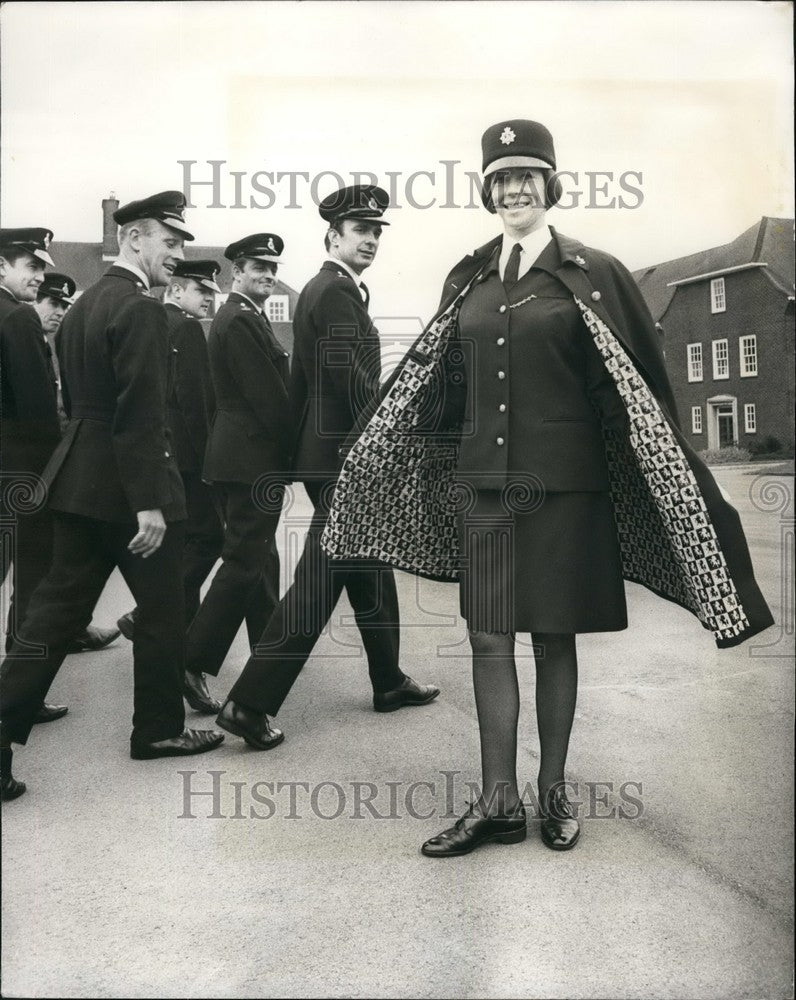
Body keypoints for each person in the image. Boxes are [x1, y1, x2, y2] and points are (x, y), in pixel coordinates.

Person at [320, 120, 774, 856]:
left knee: (552, 638)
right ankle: (497, 801)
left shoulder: (594, 272)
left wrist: (654, 478)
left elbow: (636, 392)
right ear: (487, 190)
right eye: (501, 178)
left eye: (527, 175)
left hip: (566, 491)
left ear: (551, 184)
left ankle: (553, 791)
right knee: (489, 639)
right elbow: (443, 384)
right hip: (486, 494)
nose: (514, 189)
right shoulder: (467, 277)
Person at [0, 192, 224, 801]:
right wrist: (150, 502)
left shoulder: (81, 309)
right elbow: (141, 413)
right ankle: (155, 731)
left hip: (78, 477)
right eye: (170, 243)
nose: (178, 255)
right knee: (163, 609)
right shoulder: (141, 310)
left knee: (56, 611)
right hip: (130, 488)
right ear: (134, 240)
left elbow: (78, 404)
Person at [215, 185, 439, 751]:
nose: (371, 240)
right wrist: (395, 432)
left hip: (329, 455)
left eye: (376, 232)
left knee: (368, 563)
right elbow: (354, 381)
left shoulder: (330, 290)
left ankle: (388, 680)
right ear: (333, 235)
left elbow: (303, 387)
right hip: (343, 456)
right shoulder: (335, 291)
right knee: (320, 581)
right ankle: (249, 703)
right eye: (360, 231)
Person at [181, 235, 292, 717]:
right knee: (245, 562)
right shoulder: (241, 319)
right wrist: (296, 456)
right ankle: (190, 660)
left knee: (260, 562)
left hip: (238, 460)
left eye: (272, 267)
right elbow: (269, 399)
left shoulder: (244, 316)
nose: (267, 274)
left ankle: (267, 663)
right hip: (250, 462)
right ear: (237, 273)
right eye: (258, 267)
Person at [116, 259, 225, 715]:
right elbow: (195, 402)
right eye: (201, 290)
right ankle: (146, 620)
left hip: (161, 458)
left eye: (212, 292)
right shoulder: (185, 329)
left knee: (185, 550)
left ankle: (163, 637)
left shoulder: (157, 319)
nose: (209, 299)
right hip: (187, 462)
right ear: (176, 289)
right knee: (210, 540)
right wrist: (206, 466)